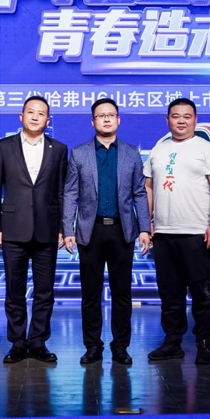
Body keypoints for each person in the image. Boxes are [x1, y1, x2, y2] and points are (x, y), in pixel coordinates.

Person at [63, 98, 151, 366]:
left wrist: (144, 228)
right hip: (90, 231)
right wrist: (68, 229)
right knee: (90, 293)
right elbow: (70, 193)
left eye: (111, 115)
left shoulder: (131, 153)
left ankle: (120, 347)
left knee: (122, 293)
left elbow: (139, 193)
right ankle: (92, 346)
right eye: (101, 116)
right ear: (93, 122)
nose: (107, 119)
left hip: (122, 231)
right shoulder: (79, 153)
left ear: (118, 120)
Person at [144, 98, 210, 365]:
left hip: (196, 232)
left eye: (187, 116)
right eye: (175, 116)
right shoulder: (158, 149)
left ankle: (204, 342)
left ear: (195, 119)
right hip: (164, 233)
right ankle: (172, 342)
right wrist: (147, 223)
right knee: (170, 293)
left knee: (202, 292)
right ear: (167, 119)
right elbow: (148, 188)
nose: (181, 120)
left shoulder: (207, 149)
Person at [0, 96, 68, 364]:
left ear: (48, 120)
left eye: (41, 113)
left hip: (47, 229)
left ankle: (38, 341)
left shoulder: (59, 149)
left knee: (45, 291)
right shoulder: (3, 146)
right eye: (30, 112)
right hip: (13, 228)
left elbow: (61, 192)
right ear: (21, 116)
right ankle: (17, 342)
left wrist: (62, 227)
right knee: (15, 290)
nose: (35, 117)